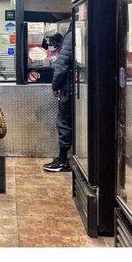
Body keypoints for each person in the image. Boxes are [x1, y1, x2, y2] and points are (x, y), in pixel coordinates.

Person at [43, 27, 73, 172]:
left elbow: (62, 65)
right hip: (81, 88)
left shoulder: (70, 36)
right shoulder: (88, 31)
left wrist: (55, 86)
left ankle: (62, 160)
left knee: (63, 122)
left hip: (69, 89)